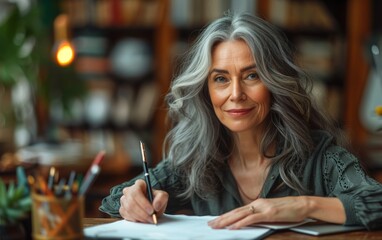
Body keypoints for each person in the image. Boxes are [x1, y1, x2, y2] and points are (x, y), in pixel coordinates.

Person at [100, 12, 382, 230]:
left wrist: (303, 206)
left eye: (251, 75)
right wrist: (131, 200)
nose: (236, 94)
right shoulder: (193, 162)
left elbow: (377, 203)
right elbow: (113, 201)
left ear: (274, 83)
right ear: (206, 90)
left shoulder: (320, 157)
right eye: (221, 79)